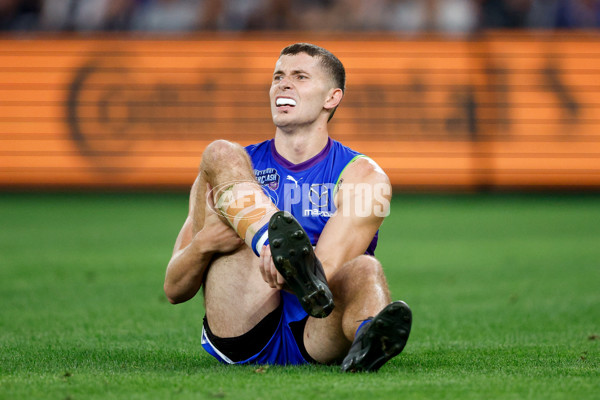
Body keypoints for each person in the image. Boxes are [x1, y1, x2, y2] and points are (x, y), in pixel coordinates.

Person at [164, 43, 412, 372]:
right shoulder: (232, 171)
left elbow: (326, 271)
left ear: (331, 98)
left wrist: (287, 261)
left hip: (316, 328)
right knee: (220, 151)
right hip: (243, 325)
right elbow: (174, 289)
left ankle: (368, 343)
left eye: (300, 76)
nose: (283, 84)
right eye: (278, 76)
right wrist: (205, 245)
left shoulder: (362, 176)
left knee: (366, 270)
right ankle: (267, 238)